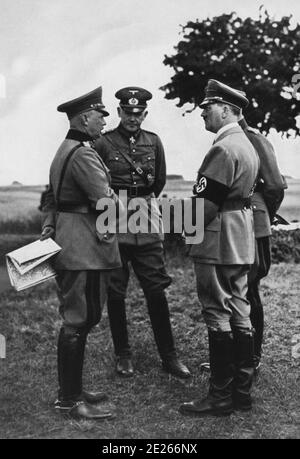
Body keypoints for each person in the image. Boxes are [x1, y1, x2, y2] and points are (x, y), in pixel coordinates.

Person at [93, 86, 190, 379]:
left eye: (138, 113)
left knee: (156, 288)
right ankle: (123, 355)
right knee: (116, 290)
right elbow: (97, 180)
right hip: (114, 214)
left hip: (146, 215)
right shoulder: (104, 142)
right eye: (127, 112)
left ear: (144, 114)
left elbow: (158, 181)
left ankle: (169, 357)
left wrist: (141, 202)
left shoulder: (154, 141)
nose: (133, 118)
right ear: (119, 112)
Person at [40, 86, 122, 420]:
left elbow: (52, 200)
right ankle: (69, 400)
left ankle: (72, 391)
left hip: (73, 242)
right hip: (84, 247)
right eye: (100, 116)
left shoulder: (66, 149)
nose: (104, 121)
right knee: (79, 319)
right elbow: (105, 203)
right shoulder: (84, 154)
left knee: (81, 318)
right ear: (84, 117)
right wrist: (114, 197)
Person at [179, 80, 259, 417]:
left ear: (225, 109)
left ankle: (220, 396)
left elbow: (205, 206)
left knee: (216, 312)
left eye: (207, 107)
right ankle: (241, 393)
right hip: (241, 235)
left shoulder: (222, 148)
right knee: (240, 310)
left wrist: (184, 230)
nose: (202, 113)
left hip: (217, 238)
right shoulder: (247, 145)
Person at [239, 115, 287, 372]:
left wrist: (264, 213)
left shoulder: (253, 139)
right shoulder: (231, 138)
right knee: (237, 290)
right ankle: (240, 355)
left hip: (252, 224)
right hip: (236, 222)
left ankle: (251, 358)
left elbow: (276, 186)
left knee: (249, 288)